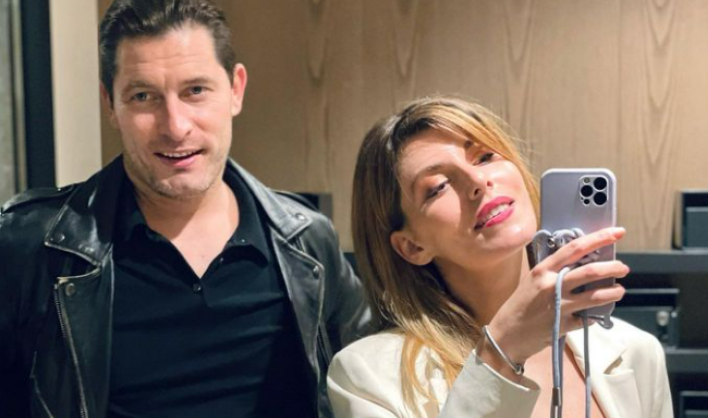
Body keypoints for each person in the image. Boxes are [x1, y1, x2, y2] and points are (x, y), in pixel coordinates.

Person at [0, 1, 367, 417]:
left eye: (195, 91)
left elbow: (376, 383)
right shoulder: (32, 249)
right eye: (143, 96)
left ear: (235, 89)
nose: (175, 126)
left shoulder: (308, 244)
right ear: (110, 104)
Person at [328, 97, 673, 418]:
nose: (478, 180)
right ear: (412, 246)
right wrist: (502, 351)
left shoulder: (637, 352)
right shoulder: (367, 377)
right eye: (438, 186)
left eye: (485, 157)